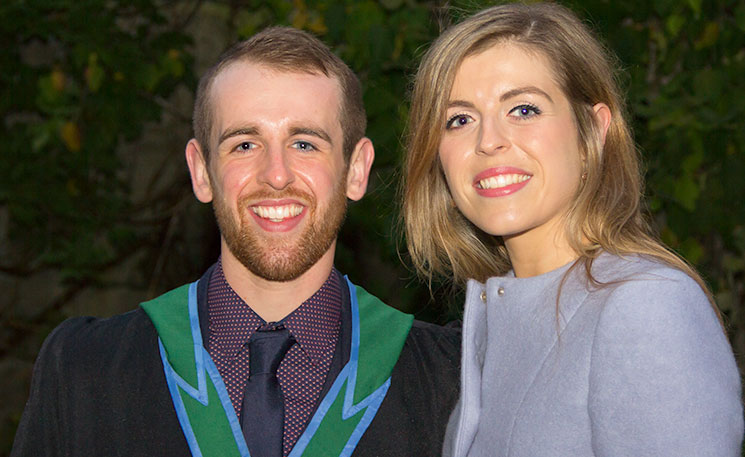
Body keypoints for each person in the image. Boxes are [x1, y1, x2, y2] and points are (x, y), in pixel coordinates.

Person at [12, 27, 460, 457]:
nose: (277, 174)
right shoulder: (84, 371)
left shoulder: (447, 382)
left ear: (356, 170)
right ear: (202, 171)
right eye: (245, 145)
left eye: (304, 143)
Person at [403, 3, 743, 456]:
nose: (487, 141)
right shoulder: (487, 317)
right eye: (459, 120)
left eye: (523, 109)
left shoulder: (645, 305)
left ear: (593, 132)